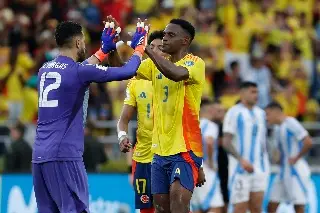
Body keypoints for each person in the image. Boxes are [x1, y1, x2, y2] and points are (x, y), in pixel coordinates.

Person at [32, 18, 149, 213]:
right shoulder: (78, 71)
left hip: (40, 156)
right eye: (84, 41)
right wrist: (139, 49)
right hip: (65, 154)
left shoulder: (44, 69)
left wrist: (103, 51)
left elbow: (80, 70)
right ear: (78, 42)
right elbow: (128, 71)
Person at [128, 18, 206, 213]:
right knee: (161, 208)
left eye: (171, 35)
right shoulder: (154, 65)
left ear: (185, 41)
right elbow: (125, 69)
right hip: (159, 152)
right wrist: (111, 48)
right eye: (164, 34)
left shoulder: (195, 63)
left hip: (185, 149)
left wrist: (147, 49)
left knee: (179, 204)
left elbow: (176, 74)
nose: (164, 38)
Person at [117, 30, 166, 213]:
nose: (154, 51)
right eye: (150, 47)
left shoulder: (177, 76)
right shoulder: (136, 81)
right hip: (143, 156)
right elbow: (123, 121)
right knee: (147, 210)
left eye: (160, 48)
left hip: (169, 154)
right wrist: (122, 136)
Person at [222, 81, 269, 213]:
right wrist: (241, 160)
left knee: (257, 208)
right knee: (240, 209)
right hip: (240, 170)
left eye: (257, 92)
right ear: (242, 93)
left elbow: (263, 140)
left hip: (260, 168)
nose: (256, 95)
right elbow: (226, 141)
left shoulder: (261, 113)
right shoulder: (234, 112)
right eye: (252, 92)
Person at [265, 102, 313, 213]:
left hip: (296, 170)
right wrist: (278, 159)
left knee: (298, 205)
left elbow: (308, 141)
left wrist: (296, 158)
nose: (267, 118)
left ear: (276, 112)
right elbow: (280, 151)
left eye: (268, 114)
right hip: (283, 171)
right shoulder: (277, 129)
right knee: (271, 205)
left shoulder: (291, 123)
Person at [191, 99, 224, 213]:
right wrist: (210, 161)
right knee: (216, 206)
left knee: (197, 207)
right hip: (206, 169)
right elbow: (209, 142)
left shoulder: (191, 124)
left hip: (191, 168)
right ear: (209, 109)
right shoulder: (211, 125)